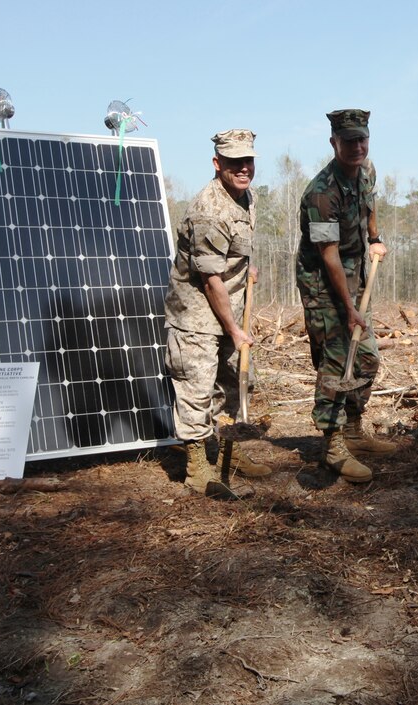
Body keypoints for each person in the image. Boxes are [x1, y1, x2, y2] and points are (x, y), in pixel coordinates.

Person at [165, 129, 271, 497]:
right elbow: (210, 280)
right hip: (197, 315)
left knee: (236, 381)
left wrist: (246, 267)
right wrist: (234, 329)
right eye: (234, 163)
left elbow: (231, 254)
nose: (244, 168)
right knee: (197, 388)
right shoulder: (208, 210)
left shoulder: (246, 197)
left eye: (249, 161)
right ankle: (197, 467)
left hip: (231, 306)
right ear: (217, 164)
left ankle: (230, 451)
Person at [296, 108, 396, 483]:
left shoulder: (366, 170)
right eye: (349, 140)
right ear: (333, 142)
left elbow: (369, 202)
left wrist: (375, 237)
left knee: (366, 359)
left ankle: (354, 429)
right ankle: (333, 444)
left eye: (362, 139)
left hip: (354, 271)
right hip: (324, 283)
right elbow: (328, 254)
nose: (357, 146)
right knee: (337, 362)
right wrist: (349, 307)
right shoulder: (320, 194)